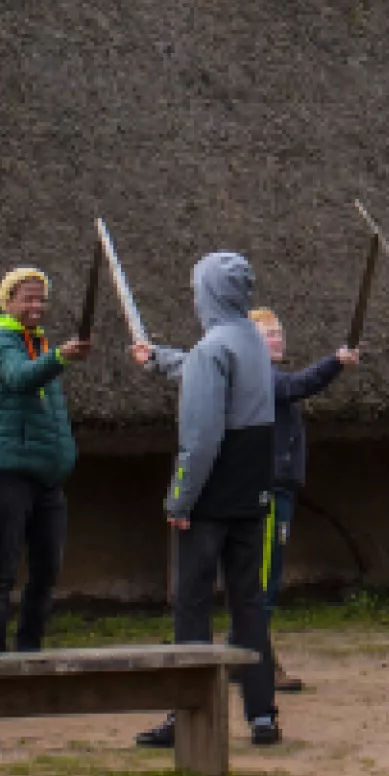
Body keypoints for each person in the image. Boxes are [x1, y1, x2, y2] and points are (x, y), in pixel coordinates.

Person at [130, 252, 281, 749]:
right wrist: (159, 359)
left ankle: (188, 710)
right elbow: (206, 372)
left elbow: (200, 438)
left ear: (209, 294)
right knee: (248, 604)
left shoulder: (212, 348)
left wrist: (178, 500)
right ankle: (262, 713)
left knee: (191, 604)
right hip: (252, 493)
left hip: (210, 498)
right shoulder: (253, 345)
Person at [0, 268, 91, 655]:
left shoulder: (38, 344)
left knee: (46, 569)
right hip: (9, 470)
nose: (37, 305)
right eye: (28, 297)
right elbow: (19, 377)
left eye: (41, 298)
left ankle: (30, 649)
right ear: (8, 301)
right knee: (3, 569)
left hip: (47, 475)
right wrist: (61, 356)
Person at [251, 308, 357, 693]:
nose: (278, 339)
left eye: (279, 332)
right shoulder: (261, 377)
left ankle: (244, 654)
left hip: (277, 489)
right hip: (267, 492)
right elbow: (298, 384)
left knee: (261, 578)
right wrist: (335, 363)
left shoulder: (265, 376)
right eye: (269, 334)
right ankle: (259, 666)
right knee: (264, 580)